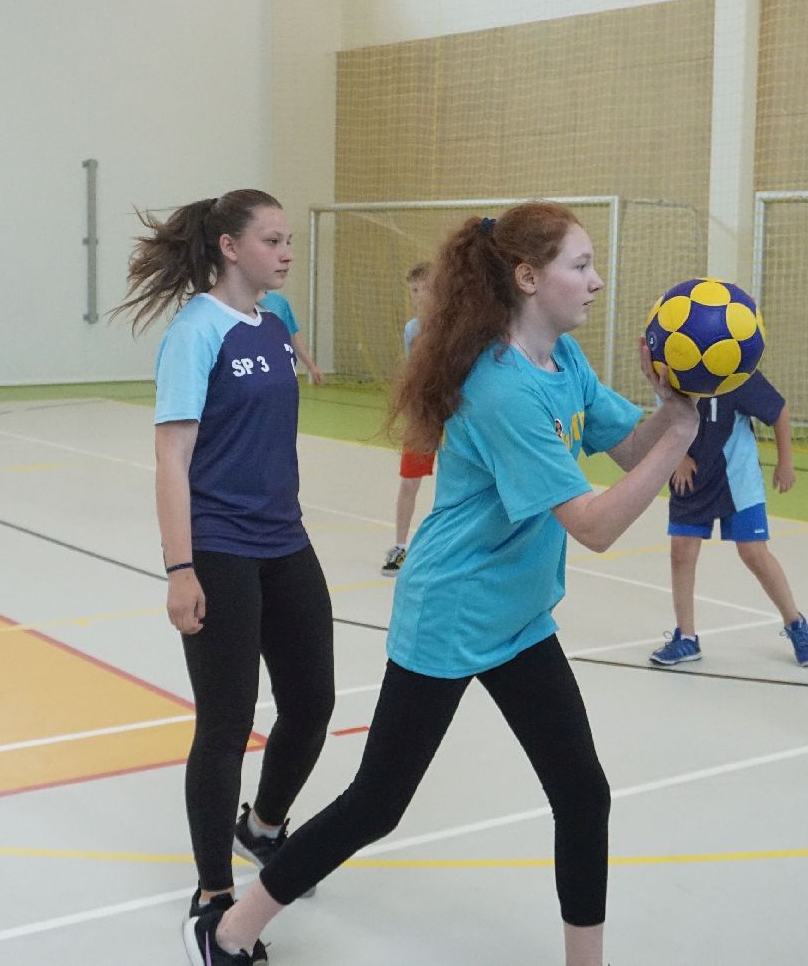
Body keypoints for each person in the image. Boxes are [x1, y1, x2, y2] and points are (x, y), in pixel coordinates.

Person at [185, 201, 701, 966]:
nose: (597, 281)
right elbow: (593, 524)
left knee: (582, 793)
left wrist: (675, 404)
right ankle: (230, 927)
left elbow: (629, 448)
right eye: (581, 265)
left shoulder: (563, 361)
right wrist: (683, 433)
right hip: (452, 613)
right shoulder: (501, 388)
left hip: (519, 616)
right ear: (528, 278)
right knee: (378, 803)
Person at [112, 189, 333, 964]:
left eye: (288, 238)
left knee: (312, 702)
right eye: (273, 239)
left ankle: (262, 826)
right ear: (231, 247)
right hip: (218, 546)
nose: (287, 251)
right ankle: (212, 896)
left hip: (285, 540)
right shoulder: (195, 333)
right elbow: (172, 458)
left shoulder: (272, 326)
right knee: (226, 721)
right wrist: (181, 568)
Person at [648, 370, 808, 668]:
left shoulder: (738, 371)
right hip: (692, 476)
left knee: (754, 553)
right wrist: (679, 458)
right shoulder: (675, 367)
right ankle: (686, 637)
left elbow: (779, 410)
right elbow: (666, 419)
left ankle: (795, 623)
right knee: (681, 552)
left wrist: (785, 462)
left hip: (738, 478)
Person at [382, 261, 434, 576]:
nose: (414, 297)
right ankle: (400, 546)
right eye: (411, 290)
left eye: (419, 290)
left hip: (458, 416)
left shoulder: (456, 325)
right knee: (409, 482)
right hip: (424, 417)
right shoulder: (412, 330)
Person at [256, 288, 325, 386]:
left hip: (276, 371)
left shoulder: (279, 302)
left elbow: (293, 337)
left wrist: (312, 367)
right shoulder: (236, 302)